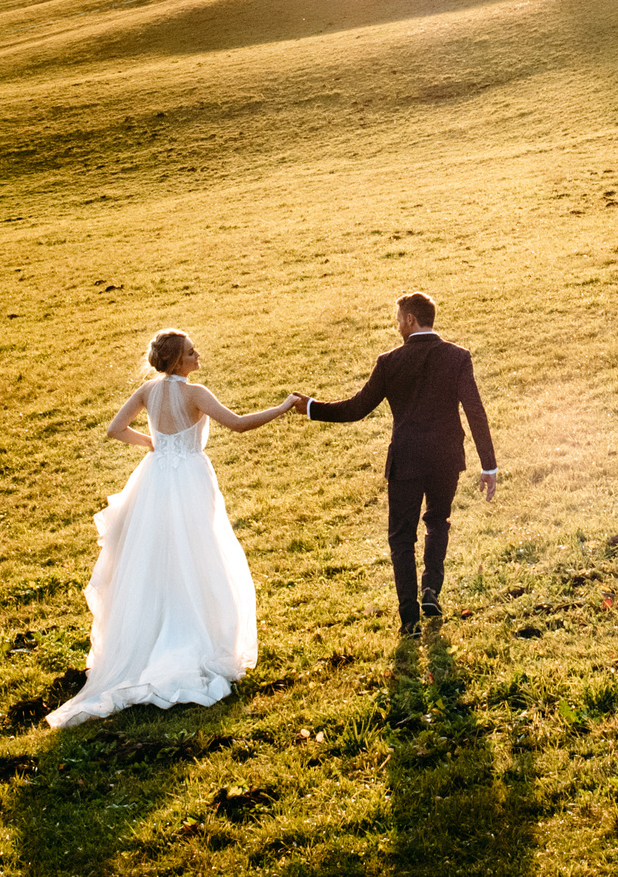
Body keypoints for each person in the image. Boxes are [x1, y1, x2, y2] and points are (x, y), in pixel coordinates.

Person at [46, 328, 300, 728]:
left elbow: (115, 429)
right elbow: (239, 425)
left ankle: (150, 637)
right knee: (201, 553)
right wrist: (285, 406)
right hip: (190, 481)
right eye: (190, 352)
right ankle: (196, 638)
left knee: (155, 558)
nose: (198, 355)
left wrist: (154, 444)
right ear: (179, 362)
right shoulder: (195, 393)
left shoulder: (148, 391)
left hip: (155, 479)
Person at [292, 291, 499, 634]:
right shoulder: (458, 357)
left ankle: (409, 618)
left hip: (406, 460)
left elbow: (356, 408)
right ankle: (431, 587)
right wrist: (488, 465)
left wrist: (313, 407)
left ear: (411, 320)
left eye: (399, 318)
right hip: (446, 457)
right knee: (437, 521)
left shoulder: (390, 361)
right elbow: (475, 411)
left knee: (401, 537)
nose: (396, 325)